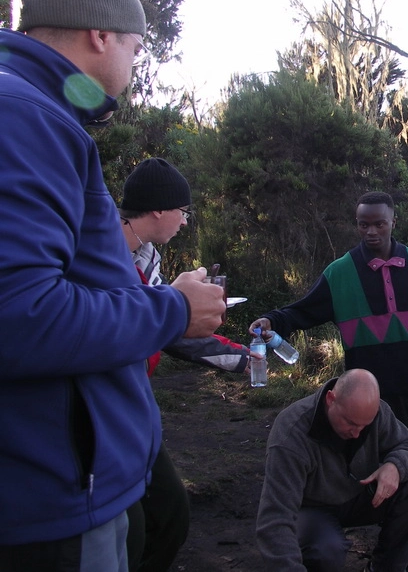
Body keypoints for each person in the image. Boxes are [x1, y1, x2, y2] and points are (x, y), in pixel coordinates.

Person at [0, 0, 224, 571]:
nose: (134, 56)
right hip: (54, 493)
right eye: (134, 41)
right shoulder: (25, 115)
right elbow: (20, 315)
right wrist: (172, 310)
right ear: (100, 33)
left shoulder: (33, 108)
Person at [250, 191, 408, 555]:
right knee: (372, 458)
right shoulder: (339, 273)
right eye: (363, 224)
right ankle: (379, 529)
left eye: (379, 223)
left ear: (393, 222)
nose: (371, 231)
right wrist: (272, 320)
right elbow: (302, 311)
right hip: (369, 395)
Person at [119, 157, 252, 572]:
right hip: (108, 409)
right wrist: (172, 302)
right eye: (183, 211)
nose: (185, 221)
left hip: (136, 407)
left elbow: (173, 329)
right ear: (158, 209)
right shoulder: (99, 255)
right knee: (140, 526)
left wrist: (242, 358)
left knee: (170, 515)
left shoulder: (148, 256)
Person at [256, 368, 408, 571]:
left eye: (364, 426)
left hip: (361, 496)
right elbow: (275, 518)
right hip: (311, 509)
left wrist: (395, 466)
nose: (357, 434)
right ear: (331, 399)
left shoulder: (376, 413)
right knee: (327, 549)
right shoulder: (290, 434)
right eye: (350, 423)